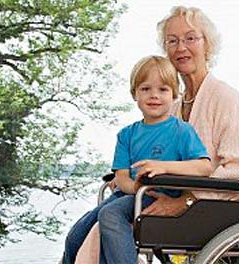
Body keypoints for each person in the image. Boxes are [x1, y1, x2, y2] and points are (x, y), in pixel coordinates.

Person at [73, 5, 239, 263]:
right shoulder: (172, 107)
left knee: (107, 220)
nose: (180, 47)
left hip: (211, 207)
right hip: (165, 195)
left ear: (207, 45)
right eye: (172, 41)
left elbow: (238, 170)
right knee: (82, 231)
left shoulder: (226, 98)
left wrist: (186, 201)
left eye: (190, 38)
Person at [61, 55, 212, 264]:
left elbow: (204, 167)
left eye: (163, 90)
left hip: (159, 195)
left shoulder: (182, 132)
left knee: (111, 215)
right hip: (132, 194)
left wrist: (163, 167)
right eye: (145, 89)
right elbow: (122, 177)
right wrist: (135, 187)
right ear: (135, 93)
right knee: (76, 235)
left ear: (174, 94)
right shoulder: (126, 135)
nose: (154, 96)